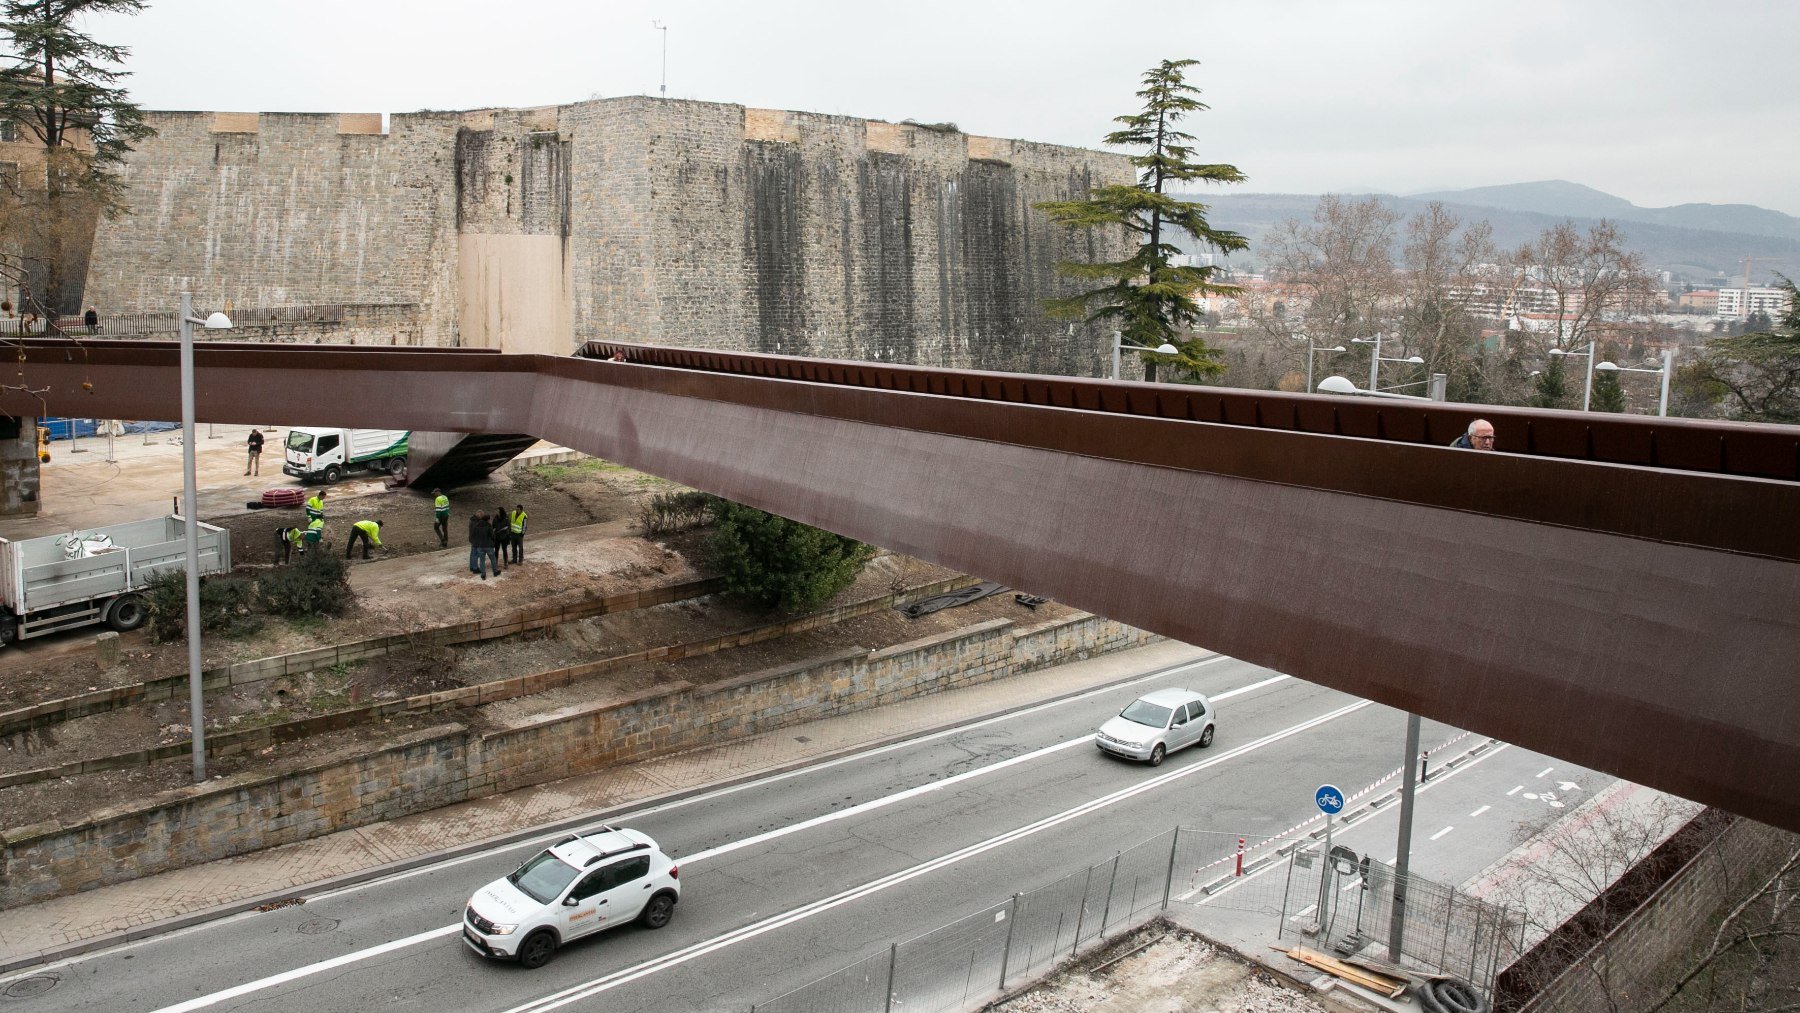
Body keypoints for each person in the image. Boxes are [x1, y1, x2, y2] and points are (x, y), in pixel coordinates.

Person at [468, 509, 495, 579]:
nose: (482, 518)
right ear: (478, 514)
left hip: (473, 539)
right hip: (475, 540)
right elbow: (476, 531)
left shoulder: (473, 520)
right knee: (475, 554)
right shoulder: (475, 522)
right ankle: (475, 568)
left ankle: (472, 567)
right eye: (482, 516)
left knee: (473, 553)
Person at [489, 505, 510, 574]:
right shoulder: (495, 518)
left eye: (497, 511)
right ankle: (495, 563)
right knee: (496, 550)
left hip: (504, 537)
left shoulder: (506, 518)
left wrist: (506, 531)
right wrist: (493, 530)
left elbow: (508, 526)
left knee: (504, 550)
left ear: (501, 511)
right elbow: (493, 527)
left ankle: (505, 563)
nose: (496, 512)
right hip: (497, 537)